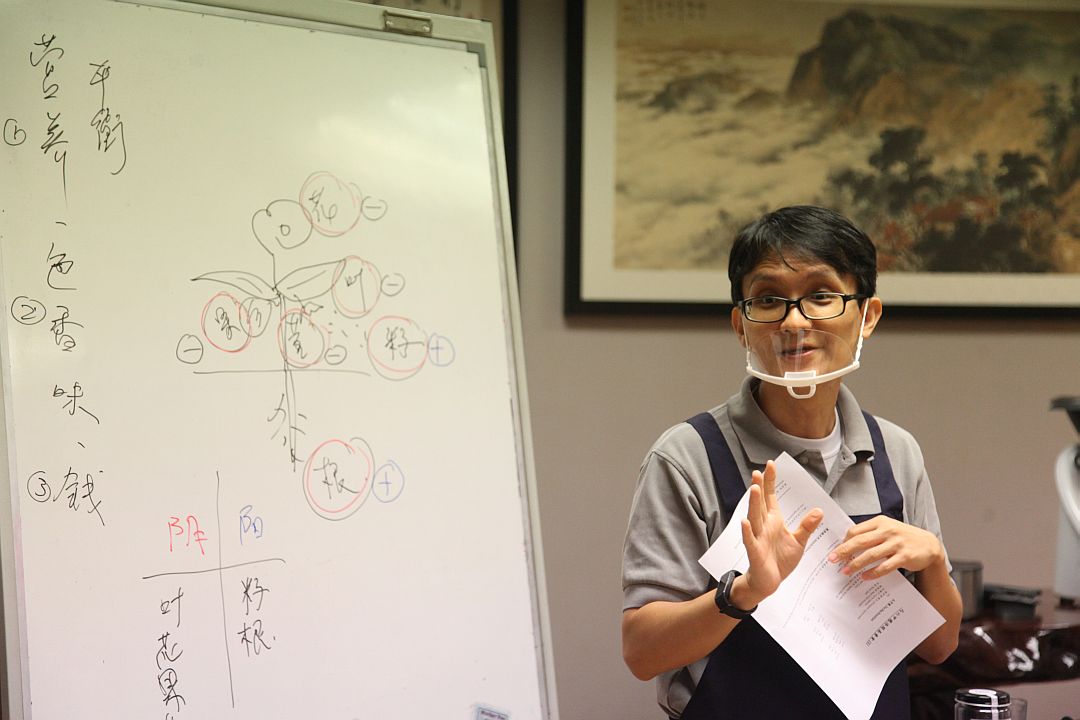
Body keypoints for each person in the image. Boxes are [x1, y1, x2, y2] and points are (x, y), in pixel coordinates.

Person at [621, 205, 962, 719]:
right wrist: (743, 593)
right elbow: (642, 653)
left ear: (867, 316)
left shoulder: (895, 451)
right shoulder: (687, 457)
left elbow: (939, 646)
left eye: (822, 296)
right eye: (768, 300)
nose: (794, 321)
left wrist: (932, 560)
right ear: (741, 325)